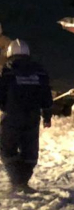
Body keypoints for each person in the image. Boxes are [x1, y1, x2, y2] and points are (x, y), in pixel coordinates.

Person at [0, 40, 52, 194]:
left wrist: (4, 108)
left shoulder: (7, 70)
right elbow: (46, 95)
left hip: (12, 117)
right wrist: (47, 116)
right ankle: (23, 181)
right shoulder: (40, 71)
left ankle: (17, 180)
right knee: (29, 152)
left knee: (6, 149)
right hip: (32, 117)